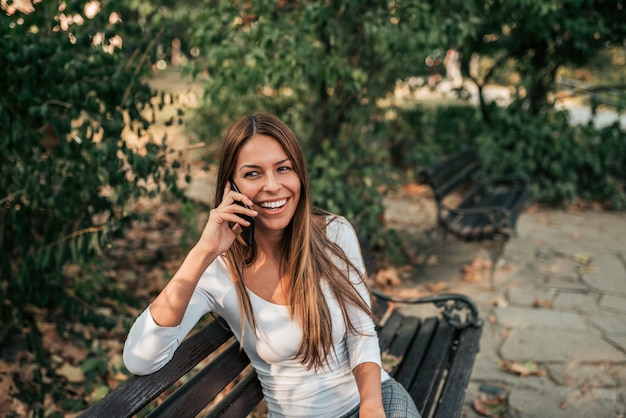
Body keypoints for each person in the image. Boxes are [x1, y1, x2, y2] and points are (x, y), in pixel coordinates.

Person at [123, 113, 420, 418]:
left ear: (299, 174)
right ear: (231, 187)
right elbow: (140, 359)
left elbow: (361, 332)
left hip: (374, 399)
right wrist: (203, 250)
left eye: (283, 169)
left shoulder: (334, 233)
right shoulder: (218, 271)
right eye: (253, 174)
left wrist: (372, 406)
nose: (273, 185)